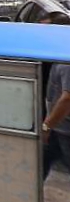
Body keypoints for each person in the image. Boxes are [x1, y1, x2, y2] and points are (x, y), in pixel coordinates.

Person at [42, 12, 70, 180]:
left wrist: (47, 126)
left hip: (65, 130)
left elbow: (67, 99)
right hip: (57, 129)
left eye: (45, 30)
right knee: (41, 162)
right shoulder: (59, 53)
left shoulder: (66, 62)